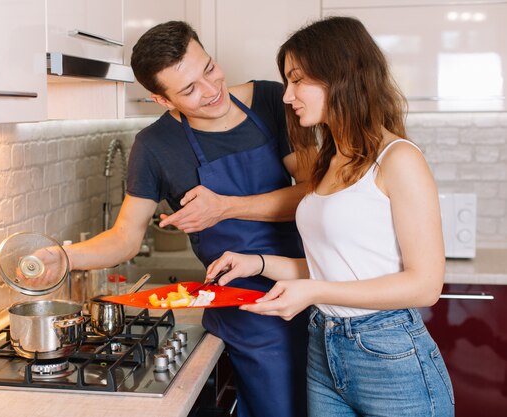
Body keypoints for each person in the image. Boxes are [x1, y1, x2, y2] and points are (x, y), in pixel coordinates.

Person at [206, 16, 455, 417]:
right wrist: (260, 263)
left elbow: (425, 286)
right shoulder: (329, 160)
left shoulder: (399, 160)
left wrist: (315, 292)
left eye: (298, 80)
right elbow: (337, 268)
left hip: (390, 354)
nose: (287, 96)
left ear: (340, 76)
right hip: (324, 346)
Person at [59, 21, 311, 417]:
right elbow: (126, 239)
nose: (211, 91)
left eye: (209, 69)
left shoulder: (269, 100)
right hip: (245, 315)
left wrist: (225, 206)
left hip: (311, 283)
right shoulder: (155, 146)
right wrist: (63, 258)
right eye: (189, 90)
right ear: (162, 100)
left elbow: (314, 195)